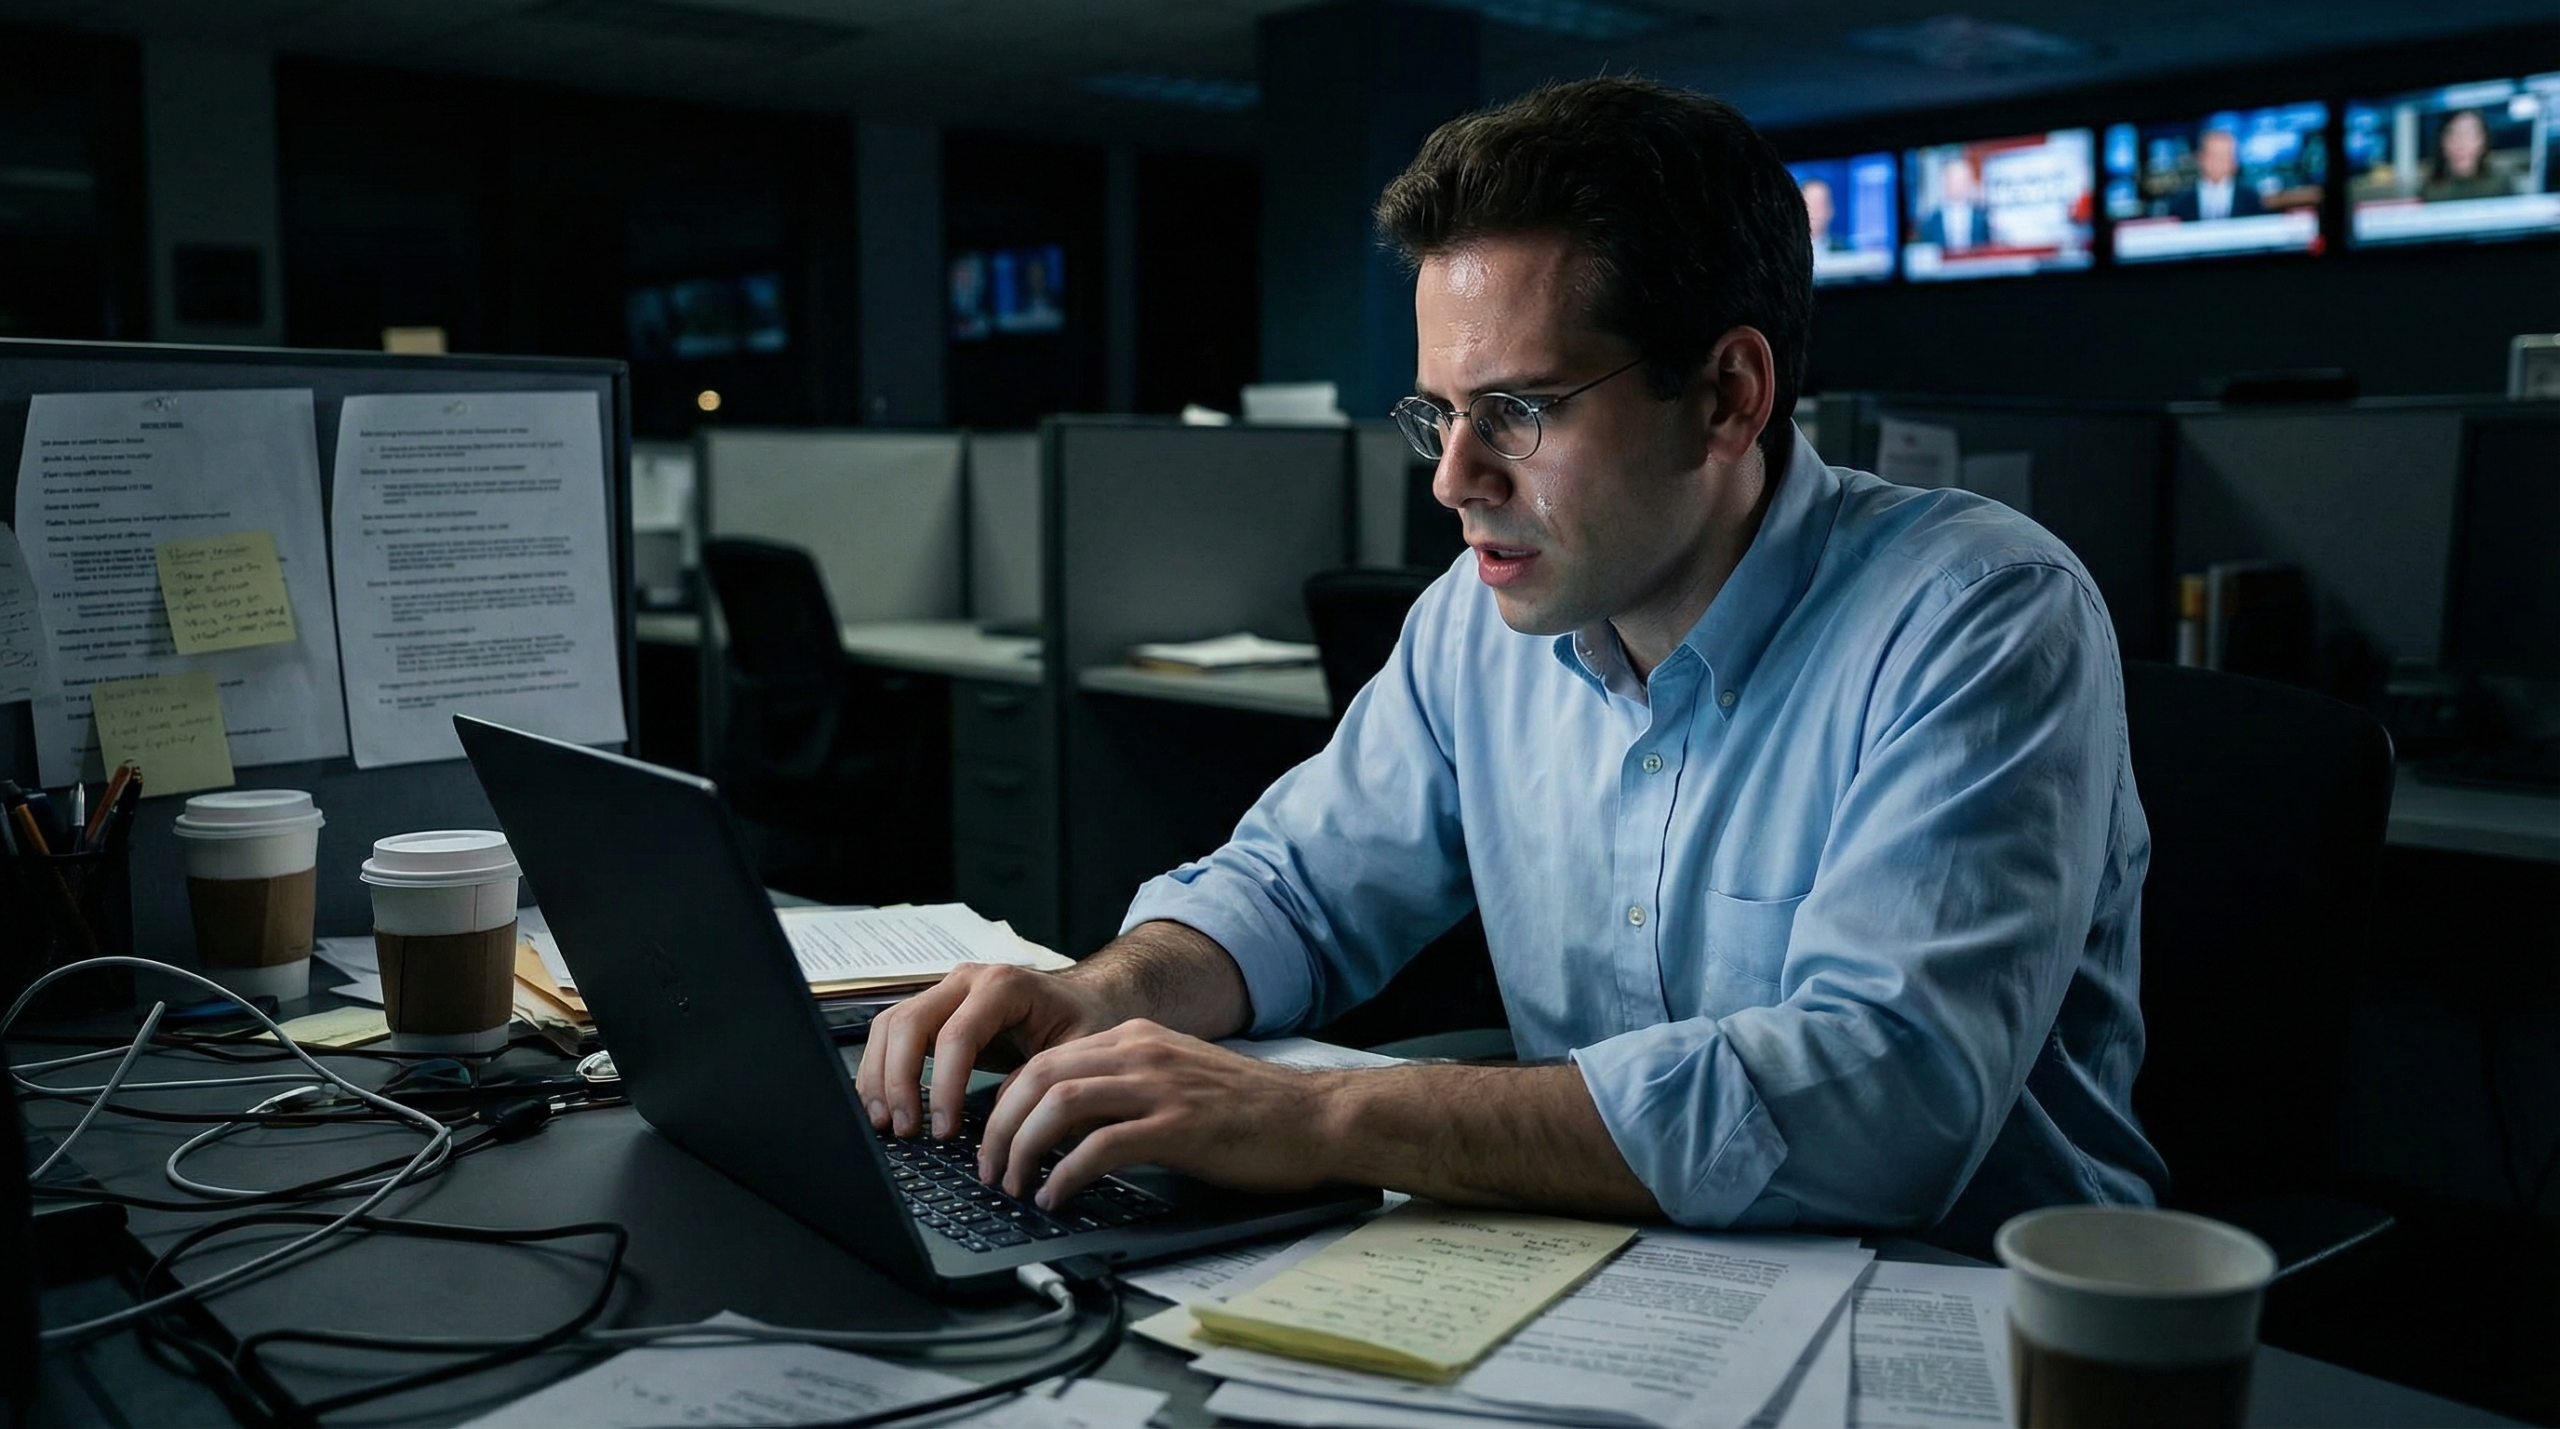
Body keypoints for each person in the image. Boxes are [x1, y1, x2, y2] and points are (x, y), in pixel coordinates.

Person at [857, 75, 2165, 1252]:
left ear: (1728, 395)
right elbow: (1295, 892)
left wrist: (1323, 1117)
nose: (1453, 478)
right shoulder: (1478, 623)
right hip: (1613, 1277)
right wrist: (1103, 993)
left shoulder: (1977, 610)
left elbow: (1882, 1104)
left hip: (1963, 1317)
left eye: (1519, 414)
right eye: (1437, 412)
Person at [2167, 127, 2263, 222]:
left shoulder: (2251, 199)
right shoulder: (2181, 201)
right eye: (2213, 155)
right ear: (2200, 158)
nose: (2218, 163)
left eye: (2224, 156)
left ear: (2234, 162)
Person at [2422, 109, 2510, 202]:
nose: (2460, 144)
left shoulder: (2499, 186)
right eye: (2452, 134)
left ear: (2484, 141)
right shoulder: (2430, 190)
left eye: (2468, 134)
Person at [1918, 153, 1991, 251]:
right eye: (1952, 179)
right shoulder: (1929, 222)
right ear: (1944, 182)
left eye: (1961, 180)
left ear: (1968, 181)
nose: (1957, 185)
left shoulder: (1982, 219)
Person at [1799, 176, 1839, 252]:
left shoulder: (1845, 249)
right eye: (1813, 205)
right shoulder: (1789, 250)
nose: (1819, 213)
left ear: (1832, 210)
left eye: (1823, 205)